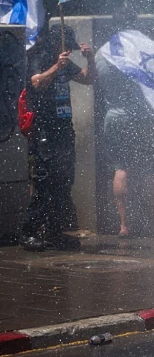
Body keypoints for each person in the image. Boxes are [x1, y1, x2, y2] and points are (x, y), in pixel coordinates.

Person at [19, 25, 96, 252]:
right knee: (44, 184)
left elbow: (88, 78)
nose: (68, 52)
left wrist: (89, 60)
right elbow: (36, 82)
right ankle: (29, 232)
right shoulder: (38, 58)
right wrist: (56, 67)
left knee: (63, 183)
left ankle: (55, 231)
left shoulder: (66, 63)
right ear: (55, 44)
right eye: (65, 47)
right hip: (44, 132)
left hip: (64, 131)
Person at [95, 12, 154, 238]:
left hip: (114, 118)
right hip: (142, 118)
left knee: (121, 168)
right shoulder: (141, 51)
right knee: (150, 171)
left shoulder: (101, 54)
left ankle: (124, 225)